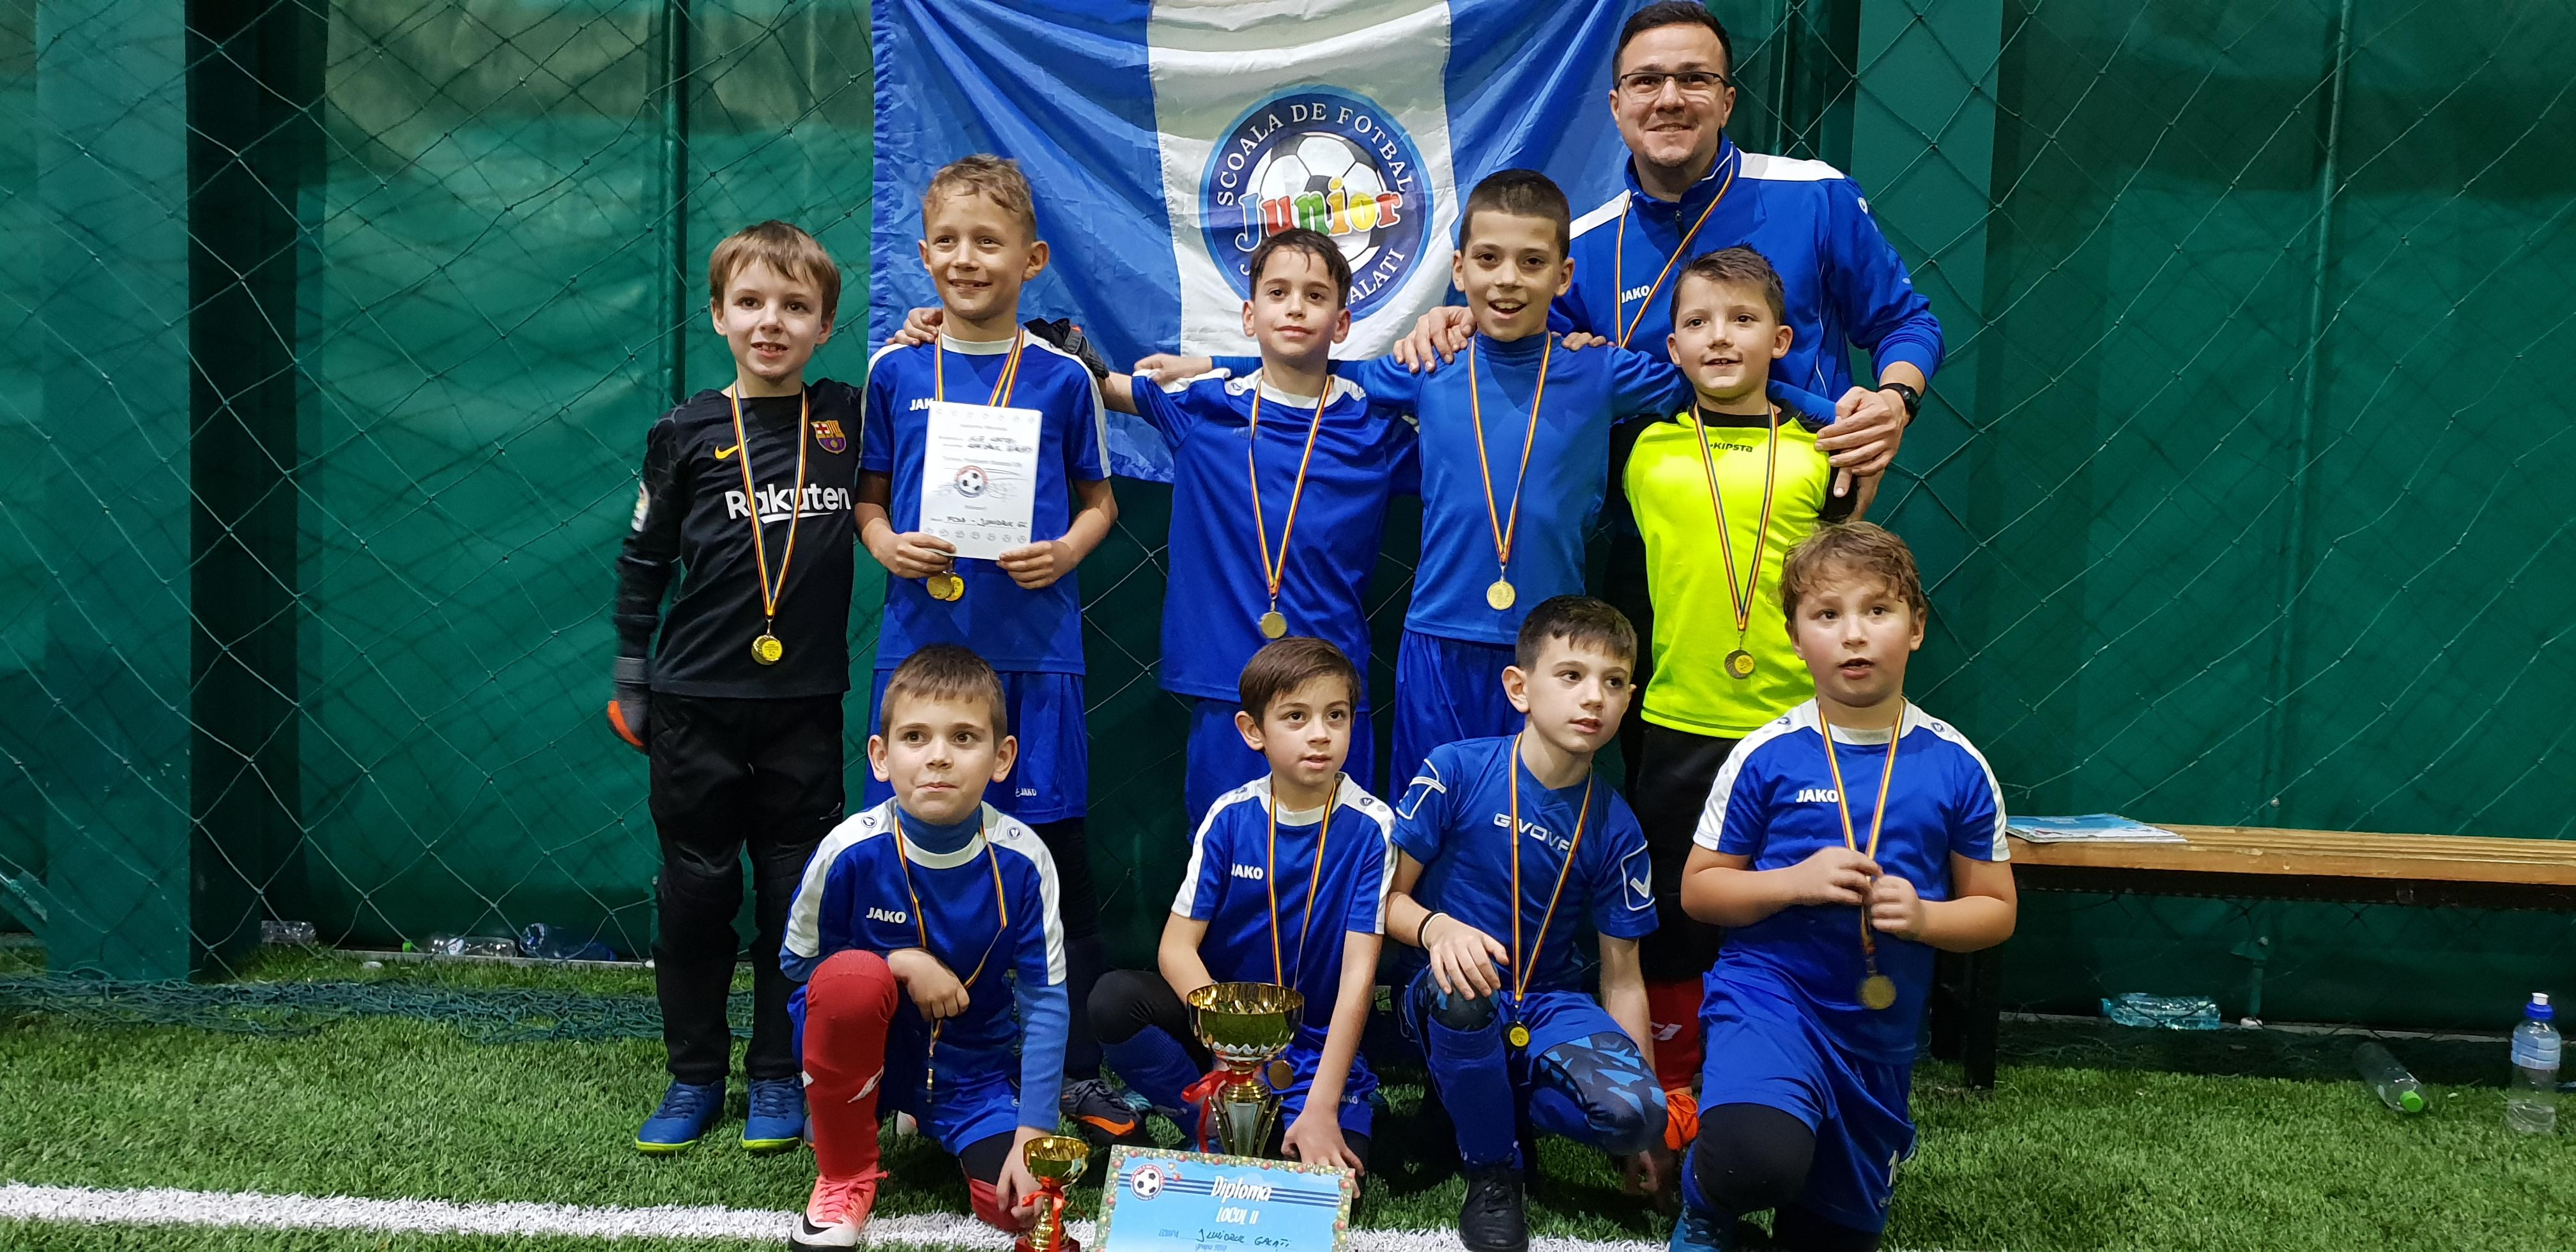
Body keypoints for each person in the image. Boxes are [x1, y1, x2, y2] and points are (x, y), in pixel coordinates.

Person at [1153, 171, 1692, 788]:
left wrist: (1818, 411)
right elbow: (1312, 361)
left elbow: (1712, 383)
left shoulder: (1599, 369)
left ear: (1563, 277)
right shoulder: (1430, 364)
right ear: (1459, 270)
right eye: (1488, 259)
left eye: (1532, 261)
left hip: (1553, 648)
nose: (1509, 278)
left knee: (1537, 816)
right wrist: (1216, 363)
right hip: (1436, 639)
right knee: (1429, 819)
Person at [1392, 2, 1932, 491]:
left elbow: (1905, 324)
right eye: (1647, 81)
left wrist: (1894, 402)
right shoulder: (1581, 247)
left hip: (1801, 508)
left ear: (1726, 103)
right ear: (1616, 104)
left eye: (1693, 79)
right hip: (1645, 537)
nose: (1669, 99)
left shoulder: (1816, 195)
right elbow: (1519, 343)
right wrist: (1456, 323)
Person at [854, 154, 1121, 1129]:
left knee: (1052, 854)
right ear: (923, 255)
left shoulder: (1061, 378)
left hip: (1037, 651)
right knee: (911, 854)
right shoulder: (893, 368)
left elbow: (1101, 500)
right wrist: (885, 542)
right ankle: (903, 1067)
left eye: (989, 242)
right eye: (949, 243)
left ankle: (1077, 1066)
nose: (966, 260)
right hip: (926, 653)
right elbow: (870, 498)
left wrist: (1068, 550)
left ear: (1033, 258)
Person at [1669, 523, 2016, 1252]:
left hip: (1876, 1036)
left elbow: (1995, 909)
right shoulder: (1765, 755)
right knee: (1753, 1162)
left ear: (1916, 627)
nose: (1854, 635)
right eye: (1827, 615)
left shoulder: (1958, 766)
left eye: (1877, 611)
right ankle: (1707, 1196)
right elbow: (1700, 892)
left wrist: (1925, 917)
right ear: (1795, 637)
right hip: (1771, 1001)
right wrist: (1792, 881)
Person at [609, 220, 858, 1155]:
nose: (771, 323)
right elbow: (643, 560)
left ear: (825, 324)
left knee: (796, 899)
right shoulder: (683, 431)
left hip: (803, 708)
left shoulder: (848, 417)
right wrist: (634, 672)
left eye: (796, 307)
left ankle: (776, 1076)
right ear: (717, 315)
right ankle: (693, 1075)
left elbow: (934, 401)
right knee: (698, 894)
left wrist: (926, 334)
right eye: (750, 303)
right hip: (694, 708)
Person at [1624, 247, 1857, 1096]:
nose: (1720, 338)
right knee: (1676, 921)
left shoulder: (1818, 455)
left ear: (1782, 339)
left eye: (1742, 319)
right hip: (1679, 723)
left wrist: (1828, 407)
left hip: (1793, 727)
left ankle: (1780, 1075)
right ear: (1672, 348)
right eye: (1697, 323)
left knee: (1789, 911)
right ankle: (1677, 1094)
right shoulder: (1647, 449)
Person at [1089, 228, 1416, 821]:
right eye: (1278, 292)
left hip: (1331, 692)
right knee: (1224, 864)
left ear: (1341, 323)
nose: (1295, 307)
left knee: (1339, 865)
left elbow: (1461, 393)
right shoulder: (1205, 407)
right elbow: (1095, 385)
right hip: (1228, 686)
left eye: (1316, 296)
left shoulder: (1376, 429)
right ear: (1249, 314)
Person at [1385, 596, 1673, 1252]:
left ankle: (1484, 1103)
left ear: (1630, 699)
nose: (1593, 698)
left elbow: (1623, 979)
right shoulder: (1455, 770)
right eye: (1571, 676)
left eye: (1614, 681)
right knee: (1463, 991)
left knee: (1635, 1114)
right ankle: (1494, 1171)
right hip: (1444, 988)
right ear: (1520, 687)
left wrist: (1651, 1136)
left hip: (1546, 1004)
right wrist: (1437, 930)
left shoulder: (1617, 826)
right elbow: (1384, 902)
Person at [779, 645, 1075, 1249]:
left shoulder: (1025, 860)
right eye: (916, 737)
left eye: (964, 738)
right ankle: (845, 1173)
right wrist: (901, 964)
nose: (938, 757)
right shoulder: (848, 849)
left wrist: (1033, 1135)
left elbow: (1045, 1003)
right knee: (852, 981)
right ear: (882, 758)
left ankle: (936, 1116)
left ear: (1002, 758)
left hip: (972, 1069)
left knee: (1013, 1209)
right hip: (867, 1043)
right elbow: (796, 963)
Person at [1087, 636, 1396, 1172]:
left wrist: (1322, 1108)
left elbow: (1358, 980)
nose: (1320, 734)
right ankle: (1210, 1116)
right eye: (1296, 717)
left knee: (1331, 1194)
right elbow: (1176, 950)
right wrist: (1237, 1044)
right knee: (1114, 1000)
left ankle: (1328, 1107)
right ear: (1254, 731)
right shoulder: (1229, 818)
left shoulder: (1374, 827)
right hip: (1226, 1038)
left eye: (1337, 715)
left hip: (1319, 1048)